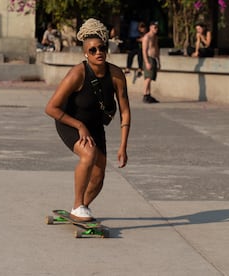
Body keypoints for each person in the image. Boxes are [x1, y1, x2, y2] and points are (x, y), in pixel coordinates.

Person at [45, 18, 131, 222]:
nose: (98, 52)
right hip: (69, 122)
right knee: (89, 154)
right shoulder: (77, 74)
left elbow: (125, 112)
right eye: (92, 50)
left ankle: (81, 206)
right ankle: (77, 206)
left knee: (99, 177)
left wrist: (123, 146)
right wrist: (79, 126)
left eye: (101, 48)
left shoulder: (116, 75)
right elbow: (51, 108)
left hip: (95, 126)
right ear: (86, 53)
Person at [142, 21, 160, 103]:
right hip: (148, 59)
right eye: (154, 27)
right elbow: (144, 50)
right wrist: (146, 62)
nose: (156, 29)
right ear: (150, 27)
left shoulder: (155, 37)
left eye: (157, 27)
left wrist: (158, 61)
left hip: (153, 59)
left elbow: (156, 49)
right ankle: (145, 94)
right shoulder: (147, 37)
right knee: (148, 78)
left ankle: (148, 94)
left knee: (151, 77)